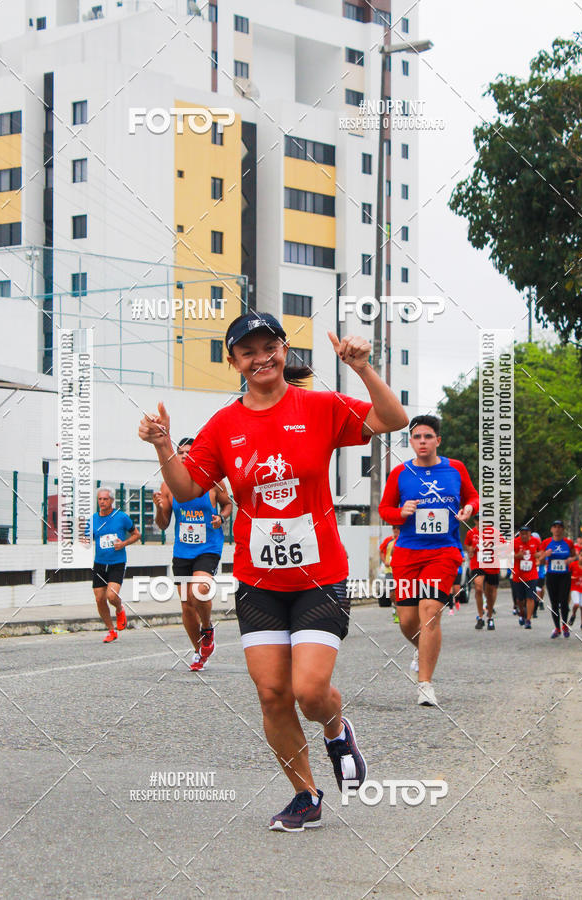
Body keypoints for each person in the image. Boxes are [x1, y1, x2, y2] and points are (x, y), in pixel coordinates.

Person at [139, 311, 408, 831]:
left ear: (285, 350)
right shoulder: (223, 424)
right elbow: (189, 487)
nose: (261, 357)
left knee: (309, 691)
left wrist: (363, 369)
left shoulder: (319, 406)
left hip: (319, 578)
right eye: (248, 350)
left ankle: (335, 728)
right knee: (271, 694)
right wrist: (162, 446)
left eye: (270, 346)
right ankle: (306, 795)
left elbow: (392, 420)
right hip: (258, 582)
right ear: (233, 361)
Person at [378, 414, 479, 707]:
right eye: (417, 437)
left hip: (443, 551)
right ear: (410, 441)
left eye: (428, 437)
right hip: (408, 552)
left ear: (438, 440)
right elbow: (385, 508)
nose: (422, 442)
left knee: (430, 611)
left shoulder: (455, 469)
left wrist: (469, 508)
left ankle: (425, 684)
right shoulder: (400, 473)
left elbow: (472, 497)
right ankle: (421, 649)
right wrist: (401, 512)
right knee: (408, 620)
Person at [153, 437, 233, 671]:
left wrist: (222, 517)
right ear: (176, 456)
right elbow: (163, 524)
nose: (185, 455)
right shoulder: (168, 485)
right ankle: (199, 652)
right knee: (187, 605)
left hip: (208, 548)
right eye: (181, 452)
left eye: (190, 452)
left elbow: (227, 504)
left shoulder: (213, 482)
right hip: (183, 551)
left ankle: (207, 628)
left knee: (199, 591)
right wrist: (159, 508)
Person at [88, 487, 140, 643]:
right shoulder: (93, 520)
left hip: (117, 563)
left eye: (105, 499)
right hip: (99, 563)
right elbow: (86, 539)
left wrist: (124, 543)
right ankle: (111, 630)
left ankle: (119, 609)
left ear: (111, 500)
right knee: (99, 599)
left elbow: (137, 534)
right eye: (100, 499)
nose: (102, 502)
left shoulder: (121, 517)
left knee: (111, 596)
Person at [465, 515, 503, 631]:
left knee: (490, 593)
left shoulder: (494, 532)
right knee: (478, 588)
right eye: (477, 520)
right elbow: (467, 545)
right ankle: (480, 616)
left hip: (491, 564)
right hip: (477, 563)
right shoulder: (471, 532)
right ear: (475, 521)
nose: (480, 522)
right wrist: (470, 549)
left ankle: (490, 617)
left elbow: (503, 545)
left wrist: (493, 546)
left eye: (482, 520)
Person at [540, 520, 575, 638]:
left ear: (563, 530)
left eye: (560, 527)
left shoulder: (568, 542)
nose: (557, 529)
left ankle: (565, 625)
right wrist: (545, 554)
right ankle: (557, 628)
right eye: (555, 527)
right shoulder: (546, 542)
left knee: (564, 601)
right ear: (551, 529)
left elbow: (575, 555)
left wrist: (571, 559)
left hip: (565, 575)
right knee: (554, 603)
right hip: (551, 575)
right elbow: (539, 559)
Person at [512, 525, 540, 629]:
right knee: (520, 599)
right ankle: (522, 613)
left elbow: (540, 552)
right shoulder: (514, 542)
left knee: (530, 597)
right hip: (518, 575)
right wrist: (516, 556)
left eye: (526, 533)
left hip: (531, 574)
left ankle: (528, 620)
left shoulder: (536, 541)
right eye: (522, 533)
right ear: (519, 534)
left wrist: (538, 557)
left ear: (529, 533)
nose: (524, 536)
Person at [380, 526, 400, 622]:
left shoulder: (403, 540)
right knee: (392, 592)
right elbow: (381, 551)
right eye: (394, 528)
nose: (395, 529)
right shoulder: (388, 540)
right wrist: (385, 562)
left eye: (398, 528)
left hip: (400, 570)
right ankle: (395, 607)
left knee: (401, 591)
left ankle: (400, 611)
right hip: (389, 570)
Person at [568, 546, 582, 630]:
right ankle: (573, 615)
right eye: (581, 555)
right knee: (576, 603)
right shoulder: (573, 565)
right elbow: (567, 575)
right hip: (574, 587)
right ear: (578, 555)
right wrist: (571, 578)